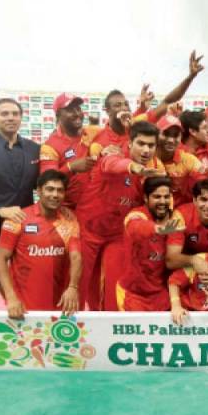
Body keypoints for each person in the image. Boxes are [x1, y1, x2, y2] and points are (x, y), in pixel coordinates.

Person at [76, 121, 165, 309]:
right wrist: (134, 168)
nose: (146, 150)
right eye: (141, 144)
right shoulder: (114, 153)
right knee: (80, 285)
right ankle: (73, 331)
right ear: (130, 143)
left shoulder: (156, 167)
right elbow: (111, 165)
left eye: (151, 145)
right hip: (88, 231)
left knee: (114, 285)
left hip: (117, 235)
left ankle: (108, 328)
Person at [0, 170, 81, 318]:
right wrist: (11, 298)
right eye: (50, 189)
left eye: (60, 190)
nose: (55, 195)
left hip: (60, 308)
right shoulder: (17, 219)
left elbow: (76, 257)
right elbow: (0, 260)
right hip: (22, 309)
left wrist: (73, 287)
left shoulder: (69, 220)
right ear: (39, 191)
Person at [0, 98, 40, 309]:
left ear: (21, 118)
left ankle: (29, 337)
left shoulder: (35, 149)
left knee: (26, 284)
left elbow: (43, 184)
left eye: (15, 113)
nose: (10, 118)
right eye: (5, 114)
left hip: (25, 229)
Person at [116, 177, 182, 311]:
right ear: (146, 198)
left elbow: (173, 258)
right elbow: (135, 227)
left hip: (161, 295)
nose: (163, 201)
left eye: (166, 197)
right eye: (157, 197)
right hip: (132, 295)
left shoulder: (175, 220)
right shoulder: (136, 215)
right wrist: (157, 229)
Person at [39, 93, 100, 208]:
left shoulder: (94, 132)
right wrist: (70, 167)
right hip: (68, 211)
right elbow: (47, 182)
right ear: (58, 115)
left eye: (78, 108)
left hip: (95, 208)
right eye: (70, 110)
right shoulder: (50, 146)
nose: (77, 113)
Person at [155, 115, 204, 208]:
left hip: (179, 212)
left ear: (181, 137)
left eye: (176, 135)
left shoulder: (189, 160)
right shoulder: (146, 157)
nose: (171, 140)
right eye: (166, 134)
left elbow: (207, 185)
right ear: (156, 134)